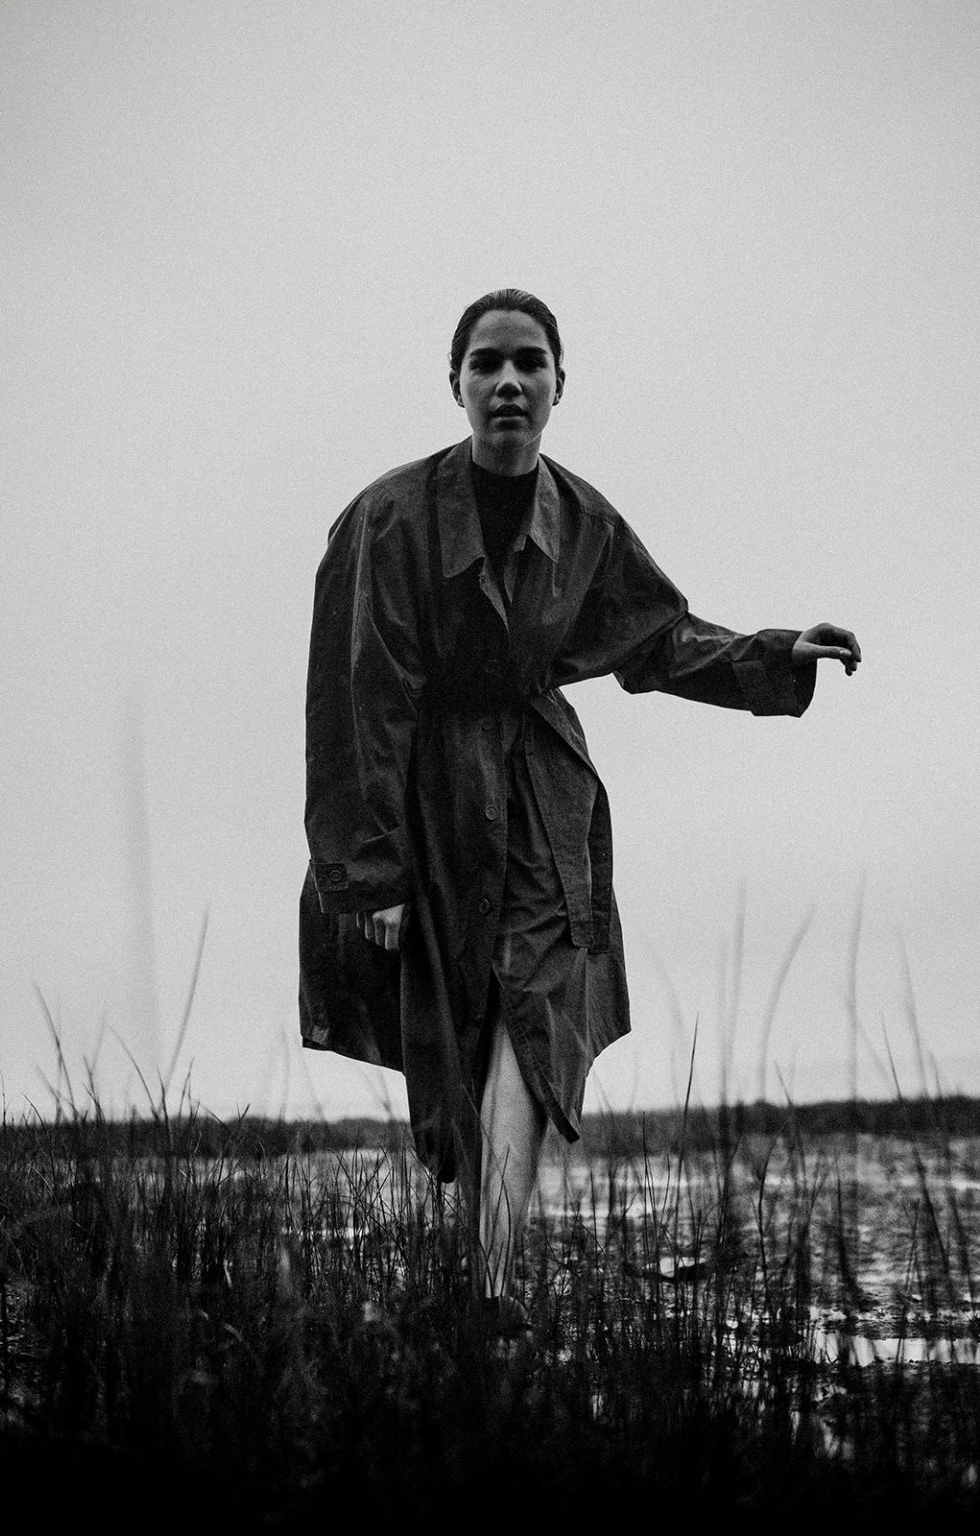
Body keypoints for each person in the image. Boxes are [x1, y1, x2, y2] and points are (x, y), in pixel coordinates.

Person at [299, 289, 860, 1331]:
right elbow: (354, 697)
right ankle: (472, 1272)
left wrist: (776, 654)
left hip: (543, 797)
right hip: (424, 800)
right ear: (456, 383)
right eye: (487, 363)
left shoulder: (585, 521)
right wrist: (371, 871)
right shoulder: (388, 518)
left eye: (530, 362)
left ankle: (490, 1287)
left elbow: (658, 639)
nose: (509, 381)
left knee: (534, 1018)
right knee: (456, 1030)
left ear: (561, 383)